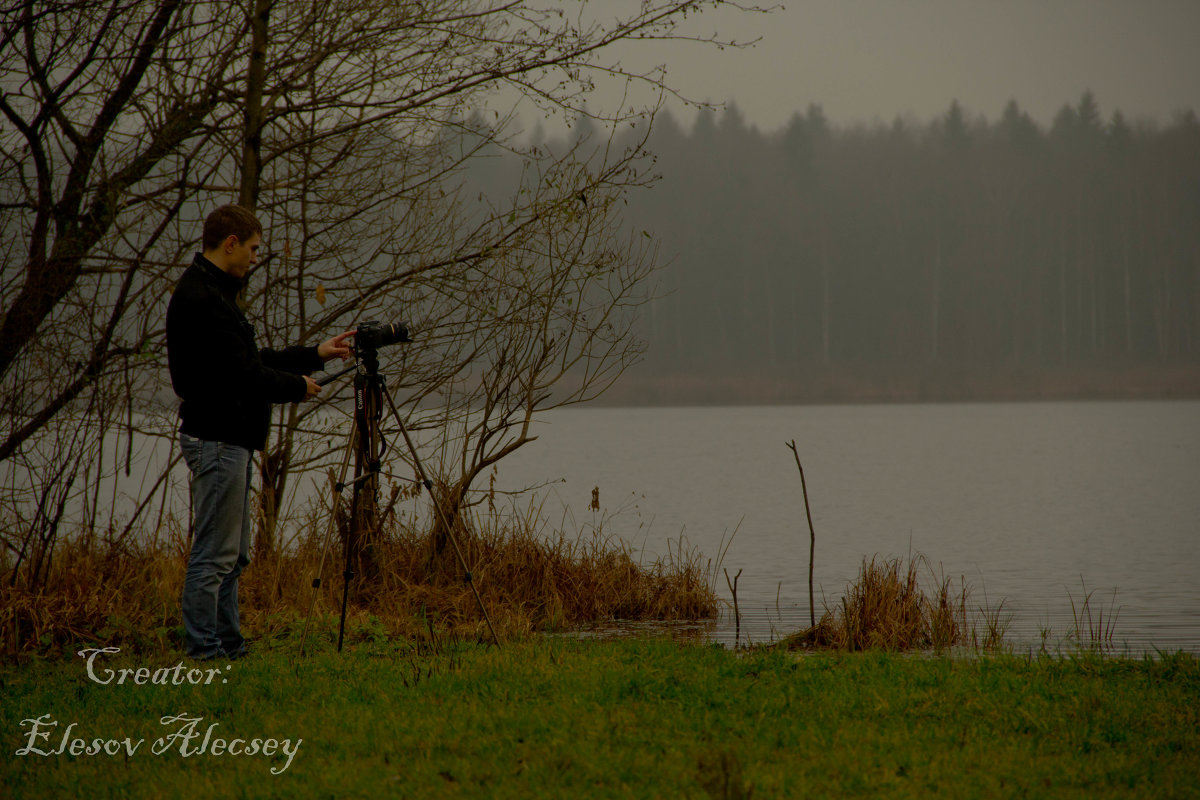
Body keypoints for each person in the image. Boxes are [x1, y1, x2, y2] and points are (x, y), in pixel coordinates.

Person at [166, 204, 353, 660]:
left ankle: (229, 644)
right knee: (214, 554)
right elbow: (245, 376)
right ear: (230, 244)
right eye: (252, 248)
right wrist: (298, 388)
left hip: (231, 441)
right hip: (217, 440)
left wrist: (316, 354)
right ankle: (203, 652)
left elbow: (249, 361)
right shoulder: (202, 300)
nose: (255, 256)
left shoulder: (217, 294)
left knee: (234, 555)